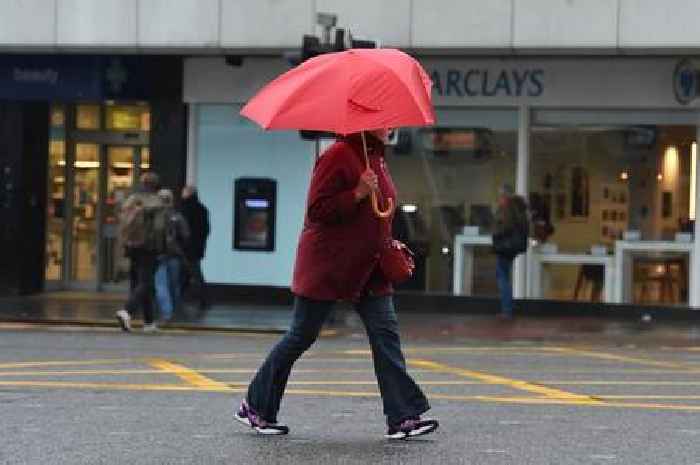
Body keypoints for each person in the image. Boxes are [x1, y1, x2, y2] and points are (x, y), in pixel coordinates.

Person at [233, 129, 439, 439]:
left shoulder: (377, 158)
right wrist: (356, 192)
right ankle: (256, 407)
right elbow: (318, 210)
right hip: (329, 265)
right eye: (382, 120)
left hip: (369, 267)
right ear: (366, 122)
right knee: (301, 336)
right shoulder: (338, 155)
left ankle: (403, 418)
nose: (389, 126)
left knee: (386, 337)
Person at [116, 172, 162, 333]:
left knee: (138, 283)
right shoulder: (157, 201)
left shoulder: (132, 199)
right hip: (148, 247)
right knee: (146, 283)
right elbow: (159, 228)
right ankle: (127, 311)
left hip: (132, 246)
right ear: (156, 185)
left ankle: (149, 322)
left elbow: (123, 222)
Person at [492, 184, 529, 319]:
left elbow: (505, 226)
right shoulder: (519, 207)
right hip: (513, 246)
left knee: (502, 277)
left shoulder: (508, 208)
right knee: (504, 275)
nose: (499, 199)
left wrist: (495, 233)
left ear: (505, 196)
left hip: (505, 246)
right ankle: (509, 307)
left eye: (500, 196)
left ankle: (507, 309)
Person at [154, 188, 190, 325]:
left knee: (161, 284)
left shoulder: (155, 216)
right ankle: (176, 310)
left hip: (159, 254)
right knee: (174, 284)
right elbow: (186, 235)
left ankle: (167, 313)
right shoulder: (177, 216)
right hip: (175, 254)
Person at [179, 185, 210, 311]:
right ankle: (200, 298)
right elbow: (206, 230)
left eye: (183, 192)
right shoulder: (202, 209)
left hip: (185, 247)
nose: (182, 194)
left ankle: (202, 299)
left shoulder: (184, 209)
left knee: (193, 273)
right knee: (191, 273)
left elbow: (181, 230)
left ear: (188, 194)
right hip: (197, 246)